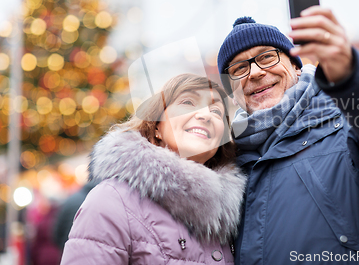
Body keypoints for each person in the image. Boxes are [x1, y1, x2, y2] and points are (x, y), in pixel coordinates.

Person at [216, 7, 359, 264]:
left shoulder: (353, 128)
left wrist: (352, 73)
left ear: (296, 67)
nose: (254, 72)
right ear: (232, 92)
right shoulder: (226, 164)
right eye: (238, 69)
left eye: (267, 57)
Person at [60, 74, 246, 264]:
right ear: (157, 125)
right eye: (188, 102)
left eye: (216, 111)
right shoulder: (112, 199)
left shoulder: (233, 212)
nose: (205, 115)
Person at [52, 180, 99, 250]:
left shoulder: (71, 199)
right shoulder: (100, 202)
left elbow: (57, 232)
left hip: (67, 249)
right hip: (90, 252)